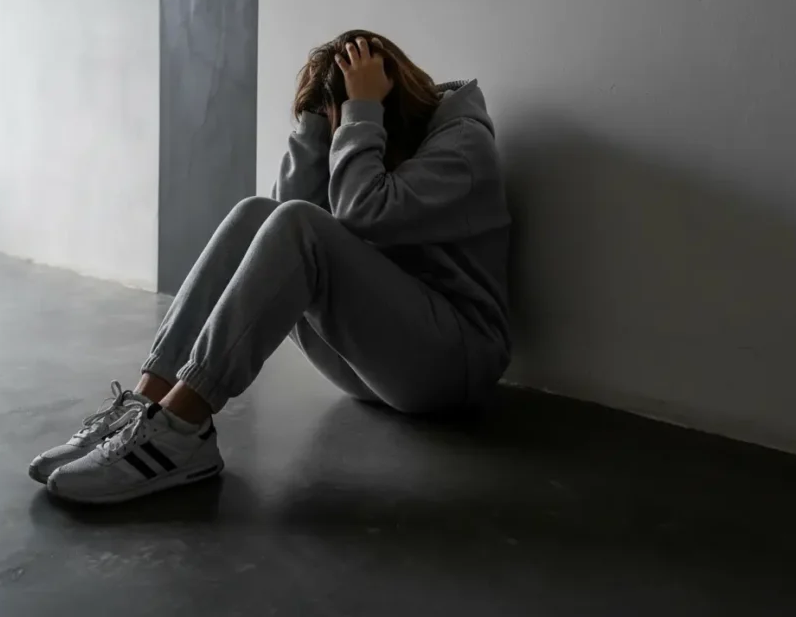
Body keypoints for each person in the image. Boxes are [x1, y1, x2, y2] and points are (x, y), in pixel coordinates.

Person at [29, 30, 512, 504]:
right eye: (336, 118)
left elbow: (363, 211)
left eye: (343, 115)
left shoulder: (463, 144)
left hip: (453, 367)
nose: (342, 126)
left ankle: (182, 429)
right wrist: (313, 124)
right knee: (256, 213)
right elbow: (278, 226)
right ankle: (148, 403)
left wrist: (362, 113)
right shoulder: (365, 137)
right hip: (377, 369)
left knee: (299, 224)